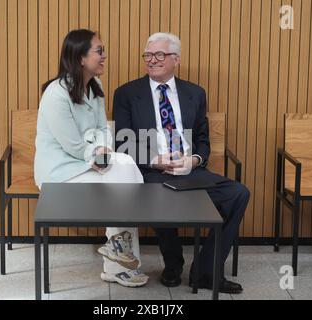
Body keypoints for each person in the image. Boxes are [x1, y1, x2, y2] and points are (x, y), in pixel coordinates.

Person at [113, 33, 250, 294]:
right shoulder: (127, 93)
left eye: (159, 55)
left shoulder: (195, 93)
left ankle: (206, 272)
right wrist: (155, 160)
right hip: (152, 171)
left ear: (176, 59)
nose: (152, 60)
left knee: (238, 194)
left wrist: (194, 160)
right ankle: (173, 265)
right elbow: (123, 143)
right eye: (148, 55)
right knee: (160, 194)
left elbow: (202, 139)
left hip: (190, 170)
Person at [34, 29, 148, 287]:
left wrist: (102, 150)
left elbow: (102, 128)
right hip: (59, 173)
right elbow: (72, 144)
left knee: (123, 171)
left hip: (86, 163)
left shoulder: (95, 87)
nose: (104, 56)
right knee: (125, 170)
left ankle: (118, 255)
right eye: (99, 51)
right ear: (80, 58)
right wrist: (95, 152)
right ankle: (118, 259)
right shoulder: (56, 94)